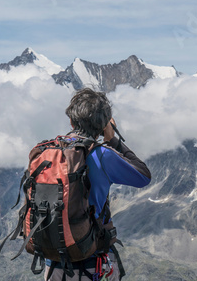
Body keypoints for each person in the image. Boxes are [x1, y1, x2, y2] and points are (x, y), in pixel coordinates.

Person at [45, 88, 151, 281]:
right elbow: (143, 176)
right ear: (103, 124)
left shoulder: (50, 152)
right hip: (90, 264)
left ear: (71, 121)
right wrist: (113, 140)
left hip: (53, 265)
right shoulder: (102, 155)